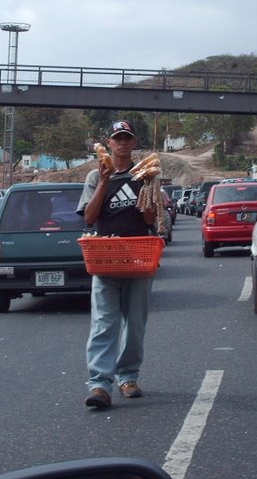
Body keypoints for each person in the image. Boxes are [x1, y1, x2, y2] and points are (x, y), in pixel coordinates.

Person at [76, 120, 157, 409]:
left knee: (134, 323)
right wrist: (104, 181)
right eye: (117, 138)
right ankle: (99, 385)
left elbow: (149, 220)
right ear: (108, 143)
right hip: (105, 255)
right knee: (103, 323)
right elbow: (89, 217)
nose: (122, 143)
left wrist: (148, 186)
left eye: (127, 138)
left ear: (133, 143)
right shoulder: (93, 176)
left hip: (139, 255)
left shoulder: (144, 174)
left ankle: (128, 377)